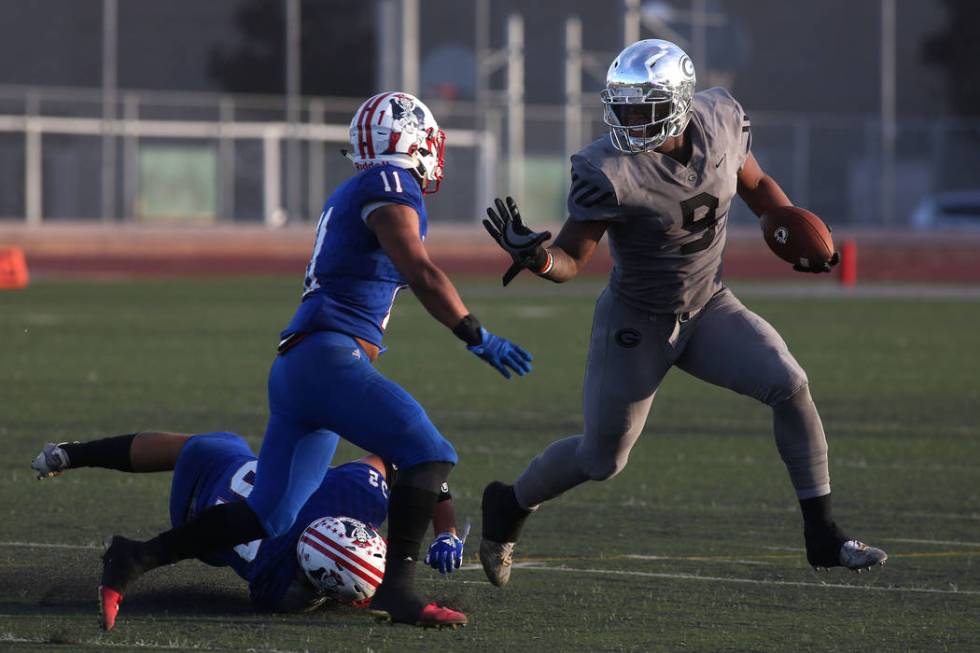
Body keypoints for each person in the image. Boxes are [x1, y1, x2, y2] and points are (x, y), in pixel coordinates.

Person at [98, 91, 533, 629]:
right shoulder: (389, 184)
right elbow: (419, 269)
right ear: (410, 143)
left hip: (302, 365)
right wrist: (475, 333)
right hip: (330, 357)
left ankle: (135, 557)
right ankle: (397, 592)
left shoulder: (361, 186)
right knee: (428, 452)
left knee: (271, 512)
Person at [478, 39, 887, 587]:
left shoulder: (721, 118)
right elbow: (573, 258)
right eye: (621, 105)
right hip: (637, 321)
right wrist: (538, 257)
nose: (628, 117)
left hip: (709, 304)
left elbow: (758, 184)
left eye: (641, 105)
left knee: (789, 384)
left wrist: (791, 229)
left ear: (678, 101)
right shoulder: (607, 168)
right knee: (602, 460)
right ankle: (509, 504)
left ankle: (823, 533)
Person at [32, 432, 468, 629]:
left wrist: (444, 527)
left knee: (198, 445)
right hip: (195, 518)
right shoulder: (280, 592)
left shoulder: (353, 493)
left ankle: (73, 454)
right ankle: (76, 458)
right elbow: (416, 461)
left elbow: (408, 456)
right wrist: (445, 531)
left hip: (219, 471)